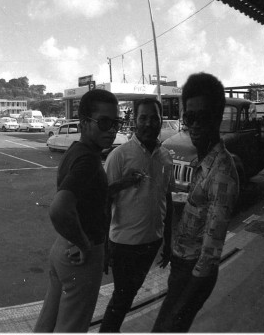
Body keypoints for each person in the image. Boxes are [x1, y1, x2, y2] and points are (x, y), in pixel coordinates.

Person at [152, 73, 239, 332]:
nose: (196, 125)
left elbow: (210, 256)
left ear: (217, 117)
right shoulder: (203, 160)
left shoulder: (221, 172)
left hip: (193, 274)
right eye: (190, 117)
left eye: (204, 117)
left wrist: (185, 298)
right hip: (183, 267)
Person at [34, 89, 122, 332]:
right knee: (72, 327)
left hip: (62, 248)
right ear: (84, 122)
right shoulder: (89, 161)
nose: (112, 129)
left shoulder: (75, 151)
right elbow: (60, 208)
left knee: (48, 320)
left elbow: (86, 196)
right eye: (104, 122)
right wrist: (84, 244)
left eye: (116, 122)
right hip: (81, 254)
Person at [99, 98, 175, 332]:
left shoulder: (165, 156)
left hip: (152, 242)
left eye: (154, 117)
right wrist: (104, 246)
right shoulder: (119, 155)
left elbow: (167, 198)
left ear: (161, 120)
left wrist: (168, 240)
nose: (149, 123)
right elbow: (102, 198)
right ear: (134, 121)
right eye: (143, 117)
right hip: (124, 244)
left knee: (127, 296)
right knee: (121, 299)